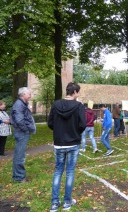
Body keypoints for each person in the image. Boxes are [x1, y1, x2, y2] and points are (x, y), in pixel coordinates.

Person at [48, 82, 86, 212]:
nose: (79, 94)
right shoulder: (79, 106)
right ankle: (66, 202)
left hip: (60, 143)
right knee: (69, 172)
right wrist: (75, 133)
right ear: (74, 92)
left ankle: (55, 203)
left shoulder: (56, 104)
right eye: (78, 92)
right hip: (72, 143)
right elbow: (83, 124)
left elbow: (50, 122)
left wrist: (59, 131)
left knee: (58, 171)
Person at [11, 87, 36, 182]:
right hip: (21, 133)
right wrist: (26, 130)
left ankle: (18, 176)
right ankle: (19, 177)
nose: (30, 95)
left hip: (22, 132)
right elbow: (19, 120)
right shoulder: (19, 105)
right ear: (23, 94)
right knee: (19, 156)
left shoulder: (22, 104)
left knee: (20, 155)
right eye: (29, 94)